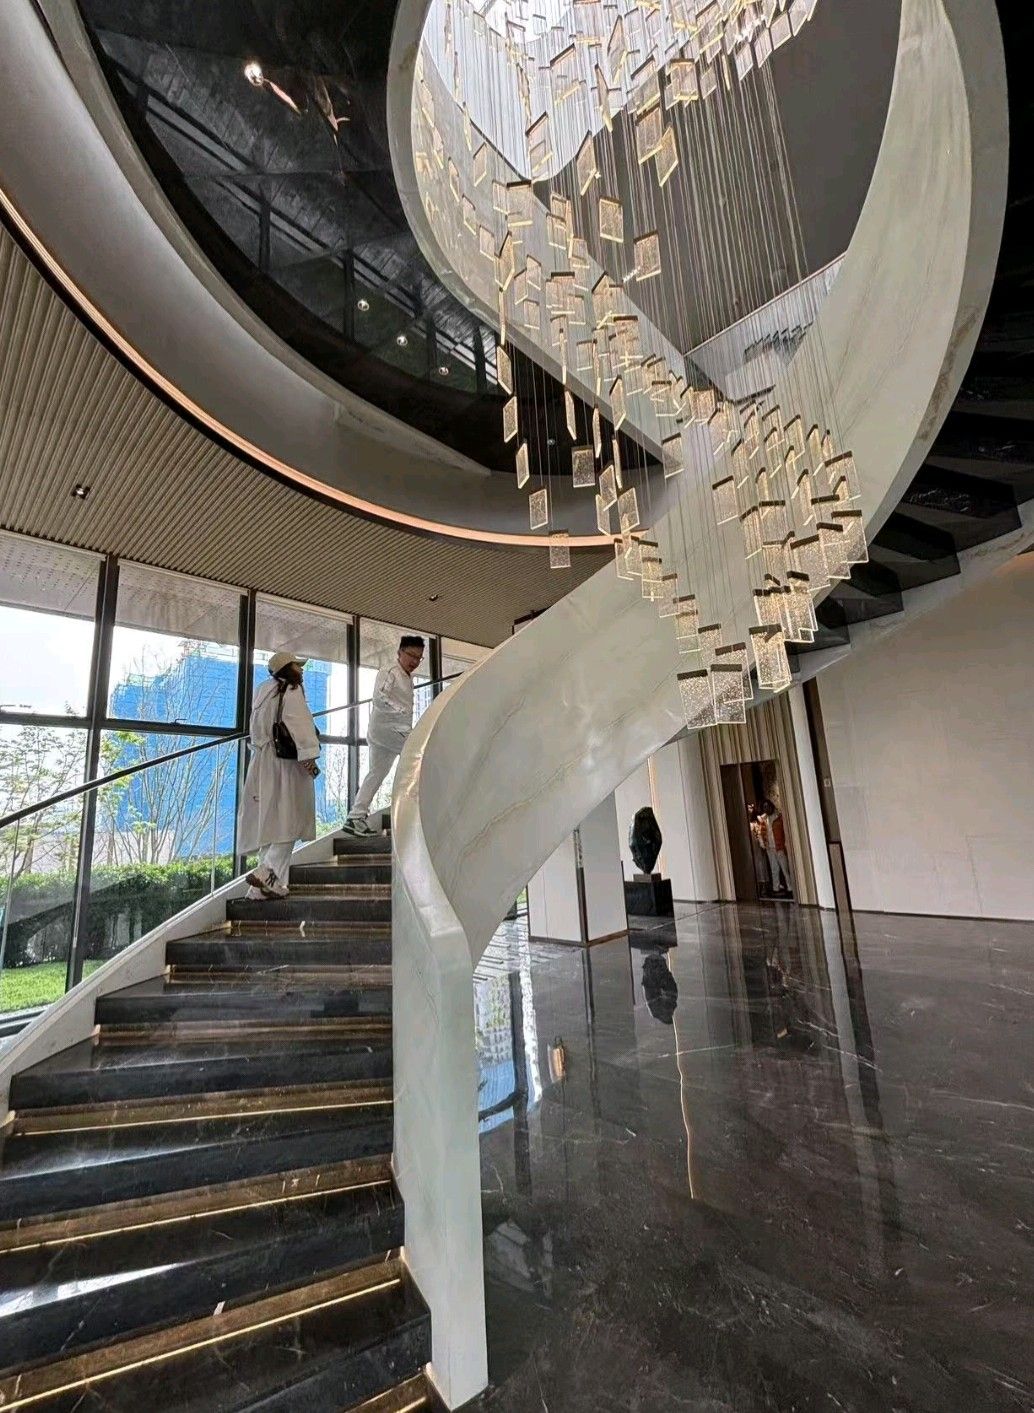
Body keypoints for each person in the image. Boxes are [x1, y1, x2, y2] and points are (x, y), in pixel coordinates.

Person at [238, 651, 321, 898]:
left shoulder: (263, 691)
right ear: (288, 668)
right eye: (298, 665)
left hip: (262, 762)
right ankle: (267, 871)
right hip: (286, 764)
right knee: (290, 820)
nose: (302, 670)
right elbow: (300, 726)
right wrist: (309, 759)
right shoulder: (292, 690)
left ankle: (261, 890)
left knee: (271, 824)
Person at [344, 635, 425, 836]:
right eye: (412, 655)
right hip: (391, 730)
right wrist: (401, 712)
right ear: (400, 652)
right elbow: (380, 698)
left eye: (419, 657)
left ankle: (355, 817)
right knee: (421, 758)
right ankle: (413, 808)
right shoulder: (390, 671)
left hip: (385, 734)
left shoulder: (407, 677)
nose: (415, 661)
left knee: (376, 774)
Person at [759, 797, 793, 896]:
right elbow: (761, 833)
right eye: (764, 807)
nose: (766, 808)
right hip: (769, 847)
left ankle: (790, 886)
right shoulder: (763, 820)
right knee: (774, 868)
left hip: (779, 846)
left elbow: (784, 831)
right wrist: (763, 844)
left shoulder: (779, 817)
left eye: (767, 806)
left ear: (771, 806)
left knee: (784, 867)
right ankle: (776, 887)